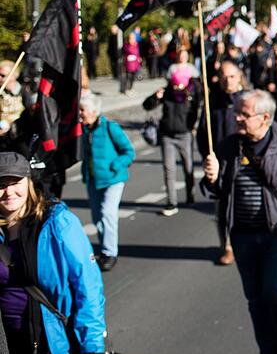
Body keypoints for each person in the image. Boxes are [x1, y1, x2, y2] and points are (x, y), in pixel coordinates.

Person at [0, 152, 121, 354]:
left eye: (15, 183)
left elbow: (87, 283)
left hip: (53, 337)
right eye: (0, 185)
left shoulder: (55, 222)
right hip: (6, 342)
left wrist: (92, 341)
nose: (7, 192)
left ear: (29, 183)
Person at [202, 90, 277, 354]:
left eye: (243, 114)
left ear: (264, 118)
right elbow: (217, 191)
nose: (236, 118)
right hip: (243, 236)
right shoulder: (229, 145)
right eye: (236, 112)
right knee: (256, 300)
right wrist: (211, 177)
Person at [197, 60, 246, 265]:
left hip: (244, 161)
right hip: (220, 162)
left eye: (232, 76)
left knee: (245, 205)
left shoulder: (247, 99)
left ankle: (245, 243)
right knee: (222, 206)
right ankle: (226, 245)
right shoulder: (212, 101)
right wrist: (207, 156)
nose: (228, 81)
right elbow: (202, 133)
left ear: (239, 77)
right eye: (224, 77)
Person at [79, 93, 135, 272]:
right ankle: (104, 249)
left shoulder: (110, 127)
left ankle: (110, 252)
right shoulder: (83, 130)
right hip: (93, 179)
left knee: (107, 214)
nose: (80, 114)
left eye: (83, 110)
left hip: (113, 179)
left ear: (94, 111)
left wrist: (115, 165)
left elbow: (128, 151)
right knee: (97, 218)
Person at [143, 67, 200, 217]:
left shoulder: (191, 94)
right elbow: (147, 106)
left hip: (185, 135)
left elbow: (196, 111)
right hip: (167, 135)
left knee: (188, 167)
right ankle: (171, 202)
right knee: (169, 169)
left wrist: (191, 127)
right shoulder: (166, 92)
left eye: (179, 85)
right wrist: (155, 97)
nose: (176, 88)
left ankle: (190, 194)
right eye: (174, 85)